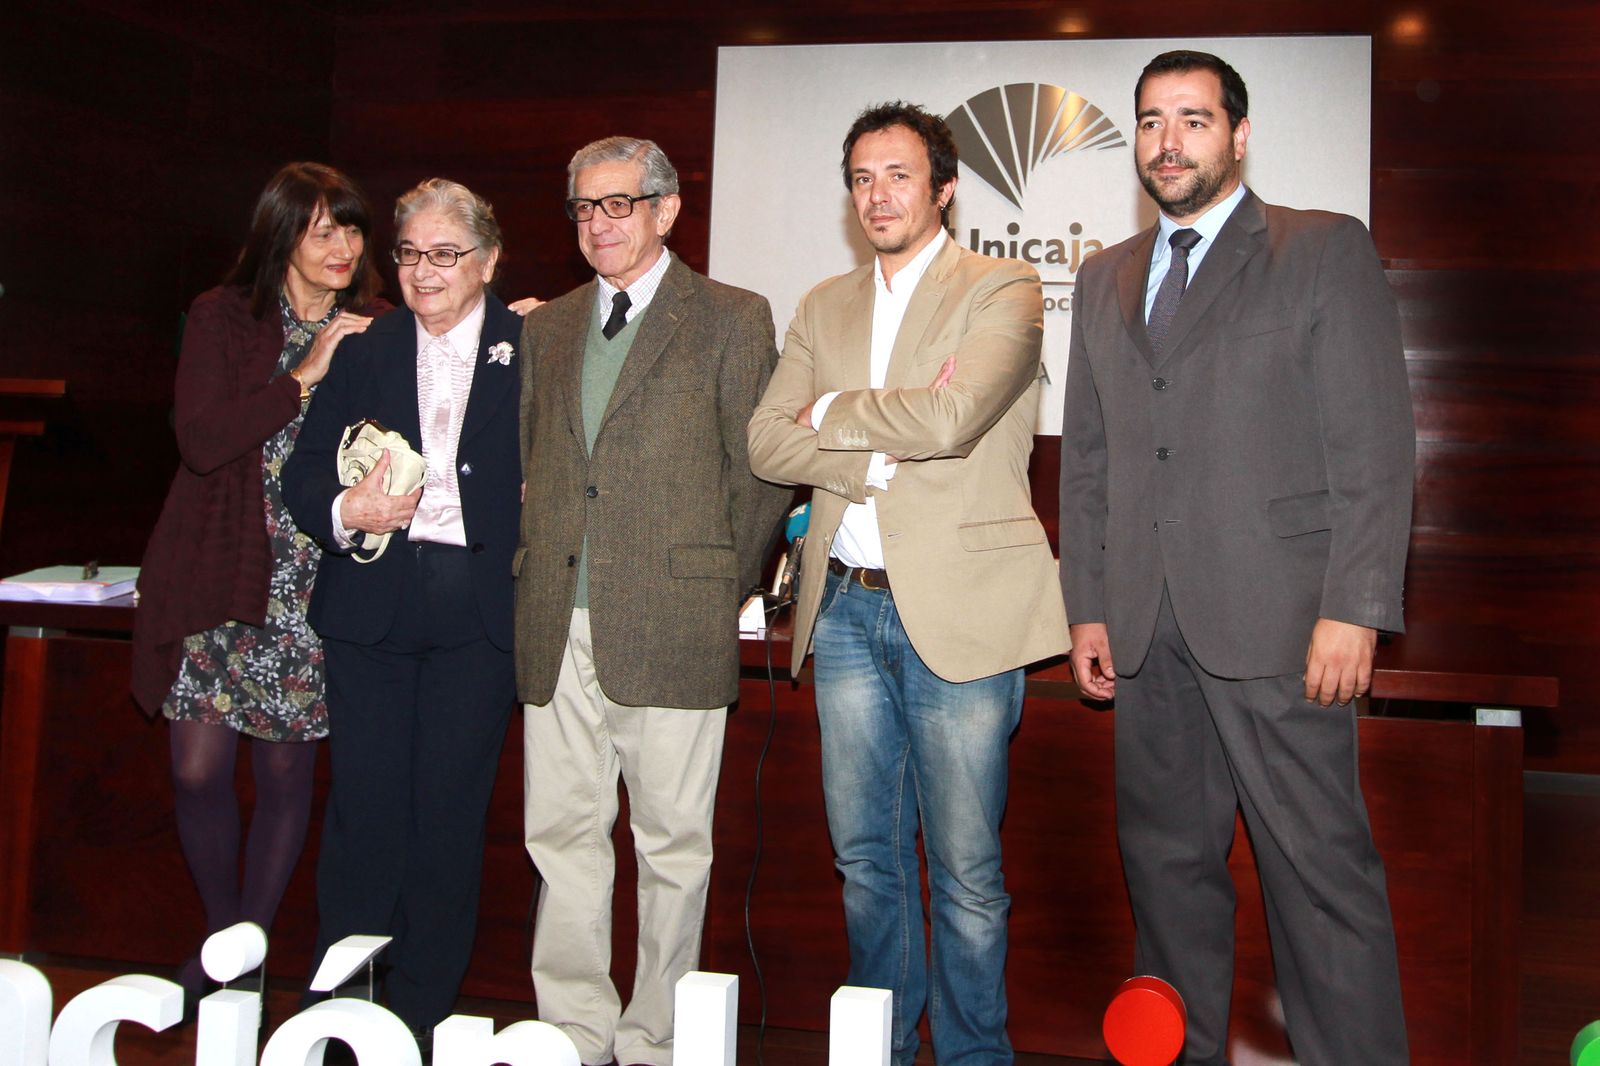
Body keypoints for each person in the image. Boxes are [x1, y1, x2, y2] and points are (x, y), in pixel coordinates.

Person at [1059, 50, 1415, 1065]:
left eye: (1193, 119)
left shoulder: (1320, 249)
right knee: (1166, 876)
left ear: (1239, 135)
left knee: (1320, 879)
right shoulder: (1102, 276)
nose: (1167, 142)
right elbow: (1088, 458)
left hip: (1284, 624)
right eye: (1150, 122)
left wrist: (1355, 606)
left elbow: (1374, 445)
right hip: (1144, 626)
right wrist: (1087, 605)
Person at [747, 102, 1068, 1066]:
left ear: (944, 188)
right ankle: (878, 1049)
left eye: (897, 175)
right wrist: (870, 451)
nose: (877, 195)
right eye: (861, 178)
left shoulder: (1003, 285)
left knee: (967, 874)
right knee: (864, 864)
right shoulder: (822, 304)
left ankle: (973, 1056)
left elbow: (953, 419)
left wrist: (830, 410)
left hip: (963, 611)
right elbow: (767, 442)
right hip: (845, 608)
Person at [515, 136, 790, 1066]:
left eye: (619, 203)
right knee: (560, 836)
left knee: (672, 846)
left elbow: (759, 478)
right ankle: (572, 1032)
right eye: (584, 207)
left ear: (666, 211)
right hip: (555, 619)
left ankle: (656, 1040)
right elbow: (535, 466)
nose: (599, 223)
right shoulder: (547, 328)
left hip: (676, 619)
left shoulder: (731, 317)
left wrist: (715, 585)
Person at [132, 161, 385, 1009]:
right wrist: (302, 375)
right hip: (219, 565)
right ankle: (227, 941)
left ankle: (246, 948)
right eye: (321, 230)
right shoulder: (224, 316)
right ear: (282, 235)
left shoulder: (378, 324)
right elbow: (203, 440)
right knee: (197, 768)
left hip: (317, 577)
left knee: (283, 775)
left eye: (351, 228)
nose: (343, 246)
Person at [281, 177, 523, 1042]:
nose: (424, 271)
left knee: (448, 822)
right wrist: (347, 510)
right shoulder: (366, 347)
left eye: (446, 254)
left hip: (478, 620)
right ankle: (341, 1022)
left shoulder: (534, 346)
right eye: (411, 253)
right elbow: (303, 473)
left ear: (488, 261)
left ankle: (420, 1019)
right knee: (364, 816)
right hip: (373, 612)